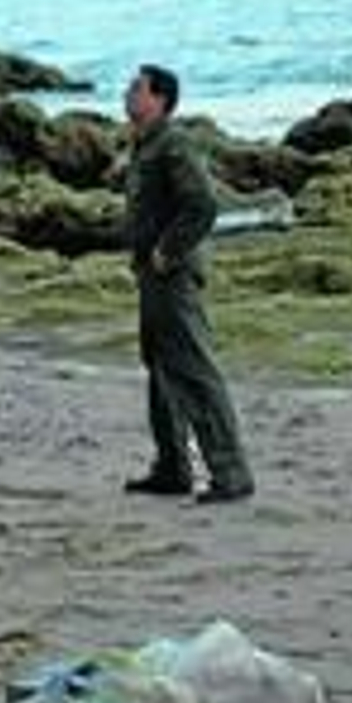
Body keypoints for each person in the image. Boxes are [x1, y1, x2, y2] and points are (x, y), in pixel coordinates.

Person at [121, 64, 255, 503]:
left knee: (194, 370)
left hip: (172, 274)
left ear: (159, 99)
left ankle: (231, 474)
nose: (128, 94)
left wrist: (167, 251)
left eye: (137, 89)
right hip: (151, 273)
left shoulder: (174, 143)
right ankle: (172, 468)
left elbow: (202, 205)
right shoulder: (146, 144)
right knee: (161, 370)